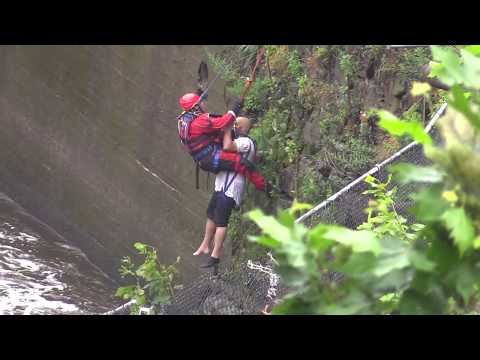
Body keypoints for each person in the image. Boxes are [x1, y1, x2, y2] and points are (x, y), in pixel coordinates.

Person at [177, 90, 271, 194]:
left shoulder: (183, 122)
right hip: (211, 157)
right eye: (201, 102)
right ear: (195, 108)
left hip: (205, 159)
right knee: (242, 164)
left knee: (228, 137)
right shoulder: (199, 122)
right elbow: (225, 121)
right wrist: (237, 105)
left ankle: (258, 157)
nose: (204, 104)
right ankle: (269, 190)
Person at [193, 117, 257, 270]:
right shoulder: (238, 140)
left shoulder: (245, 142)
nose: (233, 127)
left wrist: (227, 129)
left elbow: (228, 147)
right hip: (221, 185)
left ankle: (215, 255)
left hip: (231, 188)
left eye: (235, 125)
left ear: (241, 127)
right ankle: (205, 244)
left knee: (221, 221)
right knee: (211, 215)